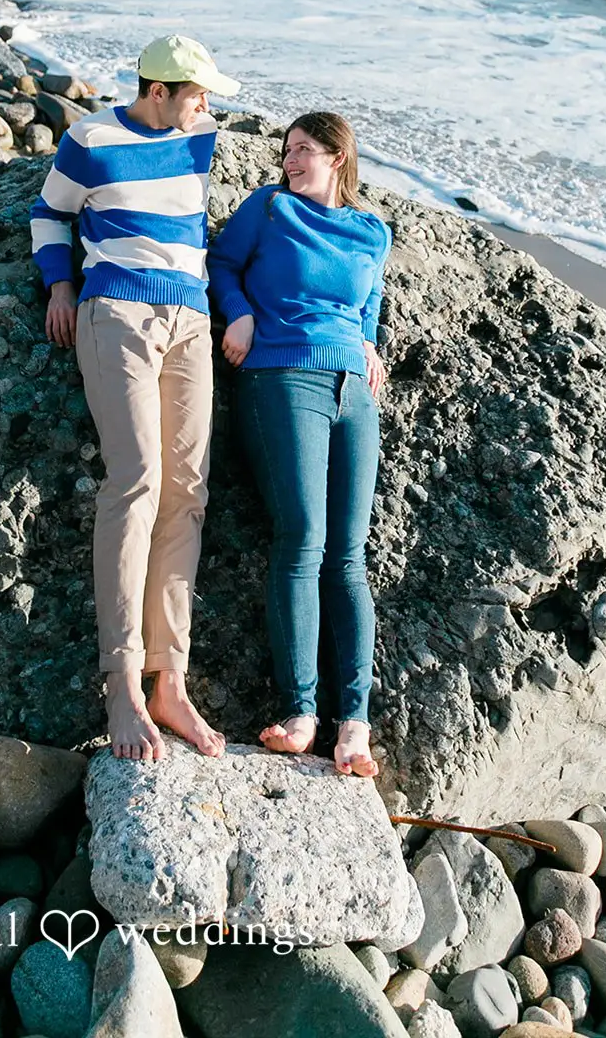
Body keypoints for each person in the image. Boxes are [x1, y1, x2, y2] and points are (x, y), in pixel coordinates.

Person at [30, 34, 240, 762]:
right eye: (196, 93)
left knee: (188, 491)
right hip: (115, 311)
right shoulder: (91, 140)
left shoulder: (203, 137)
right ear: (157, 91)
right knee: (136, 481)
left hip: (191, 320)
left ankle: (169, 680)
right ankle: (121, 683)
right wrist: (60, 286)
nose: (205, 105)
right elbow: (48, 213)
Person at [208, 112, 391, 777]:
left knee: (349, 556)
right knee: (303, 539)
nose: (289, 160)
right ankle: (300, 713)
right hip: (282, 375)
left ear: (338, 157)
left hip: (354, 392)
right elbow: (221, 264)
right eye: (286, 150)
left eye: (303, 150)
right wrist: (241, 315)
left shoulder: (371, 230)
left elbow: (368, 303)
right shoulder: (269, 208)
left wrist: (368, 343)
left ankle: (354, 725)